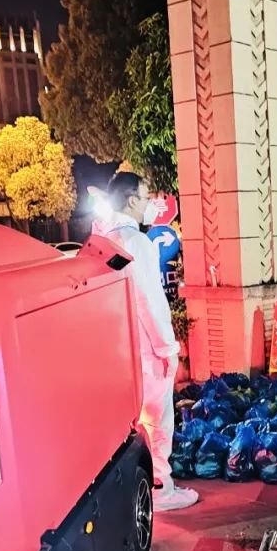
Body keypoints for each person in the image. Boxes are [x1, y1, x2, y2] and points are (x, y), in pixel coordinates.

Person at [105, 172, 199, 511]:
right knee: (158, 420)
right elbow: (150, 302)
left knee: (130, 424)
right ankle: (161, 487)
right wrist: (167, 348)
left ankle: (137, 488)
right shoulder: (138, 243)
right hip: (147, 350)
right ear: (131, 200)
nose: (149, 205)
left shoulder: (103, 241)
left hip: (120, 351)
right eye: (146, 198)